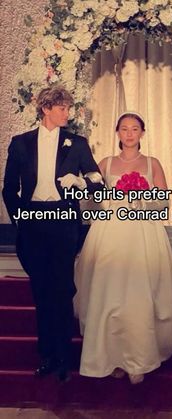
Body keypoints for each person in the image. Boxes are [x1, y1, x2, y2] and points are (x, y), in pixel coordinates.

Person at [73, 111, 172, 384]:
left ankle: (138, 358)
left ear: (141, 133)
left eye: (134, 129)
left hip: (142, 232)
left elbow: (163, 201)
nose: (129, 133)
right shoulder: (105, 163)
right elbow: (90, 201)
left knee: (138, 295)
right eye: (124, 128)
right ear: (117, 133)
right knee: (110, 294)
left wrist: (141, 200)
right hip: (110, 232)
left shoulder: (152, 164)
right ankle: (112, 356)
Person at [2, 86, 103, 382]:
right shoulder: (20, 143)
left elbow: (98, 181)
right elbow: (9, 188)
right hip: (33, 222)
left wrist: (82, 182)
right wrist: (21, 218)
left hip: (62, 220)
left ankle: (64, 358)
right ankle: (47, 356)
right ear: (46, 109)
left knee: (61, 290)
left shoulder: (77, 143)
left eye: (68, 109)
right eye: (62, 108)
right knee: (42, 292)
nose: (67, 113)